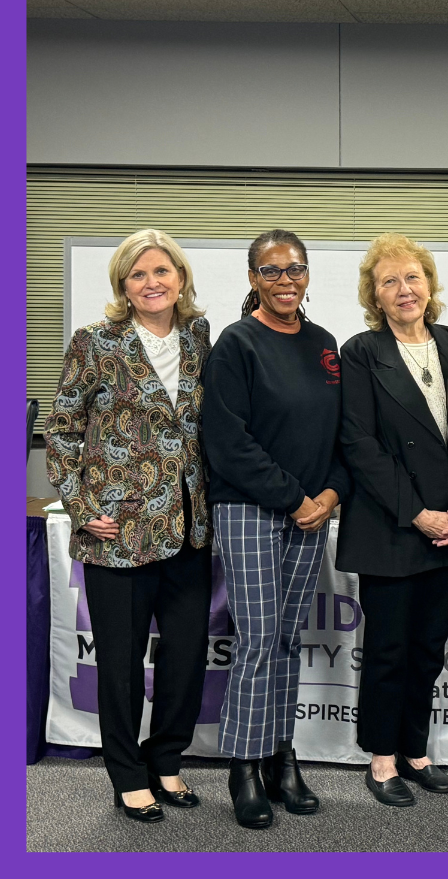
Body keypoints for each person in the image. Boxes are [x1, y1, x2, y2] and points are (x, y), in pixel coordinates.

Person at [43, 229, 212, 823]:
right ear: (122, 285)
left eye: (162, 271)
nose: (152, 282)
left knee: (186, 657)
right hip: (117, 532)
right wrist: (80, 502)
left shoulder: (199, 338)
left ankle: (166, 760)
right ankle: (127, 774)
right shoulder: (95, 342)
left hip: (189, 529)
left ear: (181, 278)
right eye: (138, 275)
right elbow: (62, 426)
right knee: (120, 661)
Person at [202, 229, 350, 830]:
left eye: (295, 269)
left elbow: (343, 432)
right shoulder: (236, 344)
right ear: (252, 279)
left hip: (312, 511)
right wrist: (295, 499)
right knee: (259, 639)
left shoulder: (324, 344)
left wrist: (332, 494)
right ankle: (243, 764)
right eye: (271, 271)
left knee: (288, 639)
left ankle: (279, 756)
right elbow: (227, 442)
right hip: (250, 509)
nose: (285, 280)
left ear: (308, 275)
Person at [336, 234, 448, 807]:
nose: (404, 290)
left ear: (430, 284)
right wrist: (418, 513)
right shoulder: (361, 351)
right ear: (375, 294)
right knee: (390, 648)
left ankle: (416, 750)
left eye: (413, 277)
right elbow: (359, 443)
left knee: (428, 646)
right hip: (393, 524)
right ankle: (382, 759)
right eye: (390, 281)